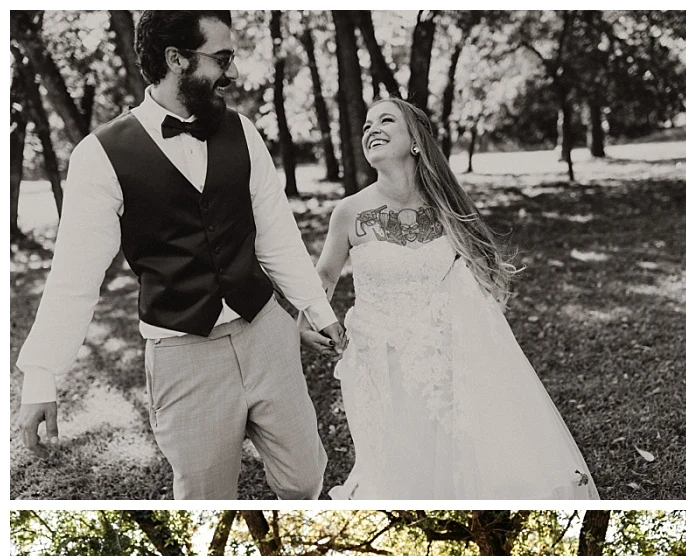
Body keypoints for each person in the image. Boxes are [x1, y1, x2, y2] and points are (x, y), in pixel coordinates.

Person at [13, 11, 343, 498]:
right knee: (204, 498)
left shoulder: (244, 132)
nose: (231, 74)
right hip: (183, 356)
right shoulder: (99, 154)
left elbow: (277, 238)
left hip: (266, 333)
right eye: (222, 58)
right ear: (176, 59)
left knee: (306, 477)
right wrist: (40, 377)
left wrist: (318, 311)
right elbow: (75, 279)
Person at [308, 96, 597, 499]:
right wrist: (310, 322)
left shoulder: (446, 208)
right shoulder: (349, 212)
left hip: (443, 361)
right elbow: (323, 276)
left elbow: (481, 277)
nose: (370, 129)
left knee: (449, 456)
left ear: (414, 141)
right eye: (366, 126)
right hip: (377, 362)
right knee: (396, 465)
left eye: (385, 120)